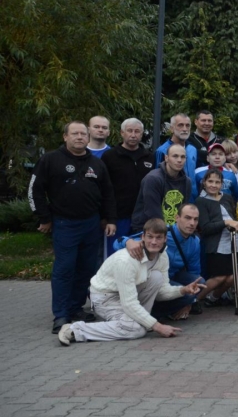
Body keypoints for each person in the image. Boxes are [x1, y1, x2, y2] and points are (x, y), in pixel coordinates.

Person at [57, 218, 204, 346]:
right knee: (135, 330)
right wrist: (158, 326)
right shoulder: (126, 261)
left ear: (165, 239)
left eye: (159, 237)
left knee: (157, 277)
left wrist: (183, 290)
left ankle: (140, 323)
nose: (154, 242)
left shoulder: (162, 256)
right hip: (105, 297)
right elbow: (129, 304)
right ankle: (74, 329)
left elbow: (161, 291)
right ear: (143, 237)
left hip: (127, 295)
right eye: (150, 237)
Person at [29, 121, 117, 333]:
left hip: (91, 223)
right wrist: (43, 218)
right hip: (64, 223)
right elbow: (35, 190)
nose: (79, 137)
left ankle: (76, 308)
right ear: (65, 137)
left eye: (83, 134)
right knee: (64, 269)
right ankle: (61, 315)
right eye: (74, 133)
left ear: (88, 138)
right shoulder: (50, 160)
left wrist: (110, 218)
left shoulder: (97, 164)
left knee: (86, 269)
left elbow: (107, 193)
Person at [119, 203, 205, 320]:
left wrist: (189, 303)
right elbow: (119, 242)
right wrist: (128, 242)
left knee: (199, 284)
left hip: (173, 277)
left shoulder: (195, 242)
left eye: (195, 219)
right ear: (177, 218)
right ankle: (146, 315)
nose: (192, 223)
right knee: (162, 282)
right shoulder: (164, 233)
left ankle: (157, 313)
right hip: (152, 278)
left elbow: (195, 274)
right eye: (187, 218)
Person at [101, 118, 154, 256]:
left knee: (140, 257)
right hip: (118, 218)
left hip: (143, 218)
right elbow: (104, 189)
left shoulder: (149, 157)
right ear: (122, 133)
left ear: (142, 134)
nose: (133, 135)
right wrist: (107, 218)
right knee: (115, 256)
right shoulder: (109, 156)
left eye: (137, 131)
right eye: (129, 131)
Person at [195, 170, 238, 306]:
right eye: (210, 181)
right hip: (216, 245)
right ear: (204, 183)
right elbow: (205, 227)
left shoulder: (227, 197)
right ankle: (194, 300)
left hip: (233, 242)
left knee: (233, 278)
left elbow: (233, 217)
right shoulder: (201, 201)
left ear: (222, 184)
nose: (213, 185)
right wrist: (226, 223)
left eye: (217, 182)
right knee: (219, 277)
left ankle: (213, 298)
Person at [131, 144, 193, 231]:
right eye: (175, 156)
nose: (179, 160)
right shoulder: (153, 179)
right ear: (166, 158)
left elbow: (183, 211)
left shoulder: (187, 182)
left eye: (183, 157)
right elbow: (153, 213)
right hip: (147, 229)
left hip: (174, 230)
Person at [155, 113, 199, 180]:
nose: (185, 129)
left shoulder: (192, 149)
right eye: (180, 125)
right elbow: (157, 177)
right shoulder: (162, 151)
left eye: (187, 125)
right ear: (172, 128)